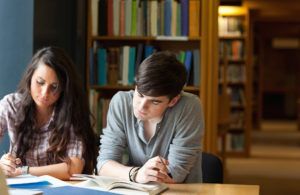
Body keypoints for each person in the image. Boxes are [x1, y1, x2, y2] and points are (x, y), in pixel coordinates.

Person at [97, 51, 205, 183]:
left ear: (173, 101)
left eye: (154, 101)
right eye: (140, 94)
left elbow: (175, 175)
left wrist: (126, 173)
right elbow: (103, 165)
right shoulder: (121, 102)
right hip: (137, 189)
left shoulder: (189, 106)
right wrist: (136, 174)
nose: (141, 106)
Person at [0, 46, 97, 179]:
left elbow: (74, 167)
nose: (45, 93)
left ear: (64, 87)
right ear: (30, 78)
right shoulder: (10, 105)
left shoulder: (71, 111)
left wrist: (23, 171)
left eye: (54, 87)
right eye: (40, 82)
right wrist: (2, 165)